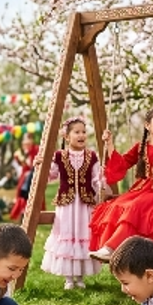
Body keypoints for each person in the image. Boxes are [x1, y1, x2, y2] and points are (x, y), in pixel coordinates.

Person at [89, 107, 153, 263]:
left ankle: (111, 248)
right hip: (140, 190)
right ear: (147, 125)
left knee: (135, 206)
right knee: (117, 205)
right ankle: (111, 249)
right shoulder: (140, 147)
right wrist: (110, 144)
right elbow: (122, 164)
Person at [41, 117, 104, 289]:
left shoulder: (92, 156)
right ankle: (69, 278)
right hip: (67, 204)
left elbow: (95, 178)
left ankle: (80, 276)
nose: (81, 135)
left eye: (84, 132)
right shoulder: (59, 156)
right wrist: (41, 167)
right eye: (77, 132)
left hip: (85, 204)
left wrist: (101, 185)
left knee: (83, 233)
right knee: (67, 233)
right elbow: (51, 175)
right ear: (66, 136)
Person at [8, 133, 39, 222]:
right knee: (22, 193)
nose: (25, 145)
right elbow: (22, 165)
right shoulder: (23, 152)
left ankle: (28, 215)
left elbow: (33, 164)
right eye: (24, 143)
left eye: (27, 143)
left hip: (32, 175)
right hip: (24, 175)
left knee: (30, 194)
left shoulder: (35, 149)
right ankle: (21, 213)